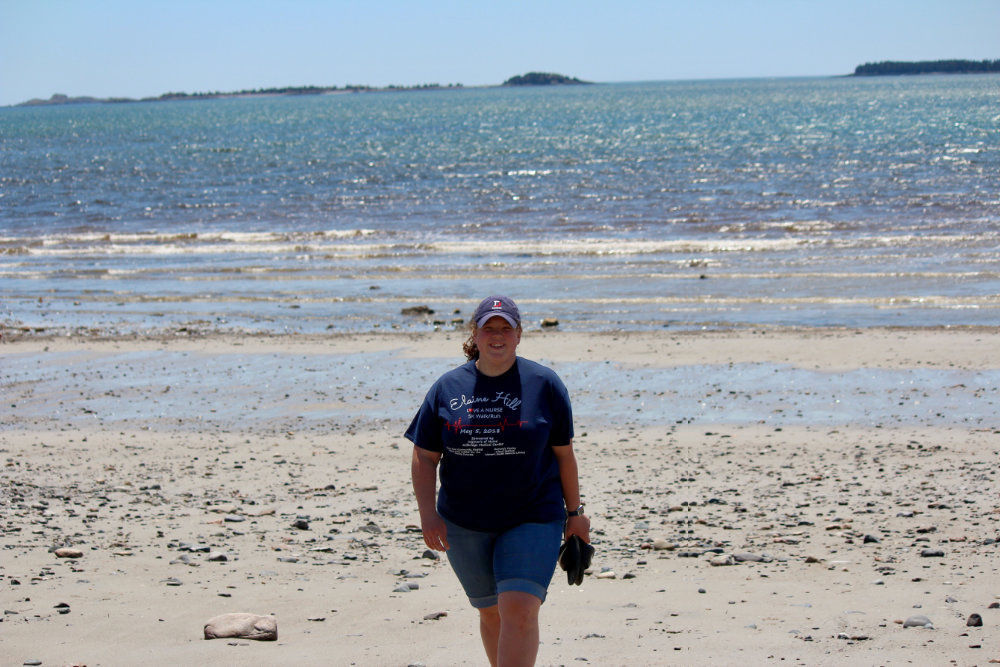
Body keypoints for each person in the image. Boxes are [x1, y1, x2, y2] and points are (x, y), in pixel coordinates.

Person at [407, 295, 591, 667]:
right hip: (464, 522)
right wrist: (428, 515)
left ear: (519, 334)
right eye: (488, 327)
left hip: (533, 515)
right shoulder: (447, 388)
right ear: (474, 334)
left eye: (505, 327)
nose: (497, 335)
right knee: (491, 612)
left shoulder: (545, 384)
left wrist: (576, 514)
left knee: (519, 610)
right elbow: (425, 457)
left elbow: (563, 454)